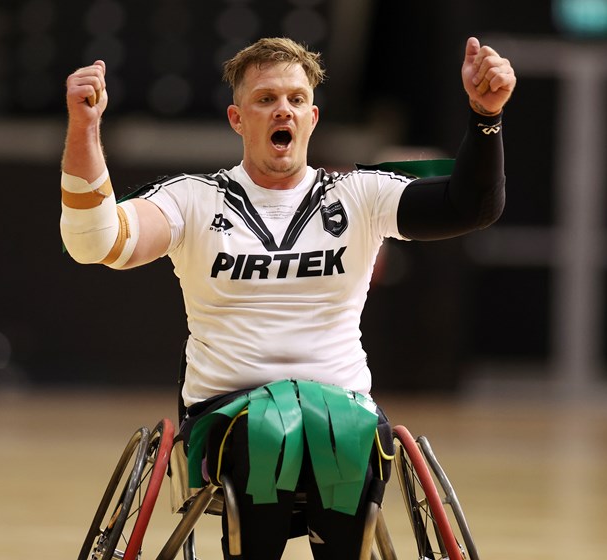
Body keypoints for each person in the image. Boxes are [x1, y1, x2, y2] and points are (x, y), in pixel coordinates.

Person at [60, 36, 515, 560]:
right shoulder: (191, 198)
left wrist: (486, 117)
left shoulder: (360, 195)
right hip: (227, 418)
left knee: (339, 430)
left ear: (313, 117)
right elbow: (95, 242)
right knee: (270, 434)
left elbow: (472, 206)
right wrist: (85, 129)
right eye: (266, 99)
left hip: (344, 412)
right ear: (237, 118)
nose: (284, 110)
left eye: (296, 99)